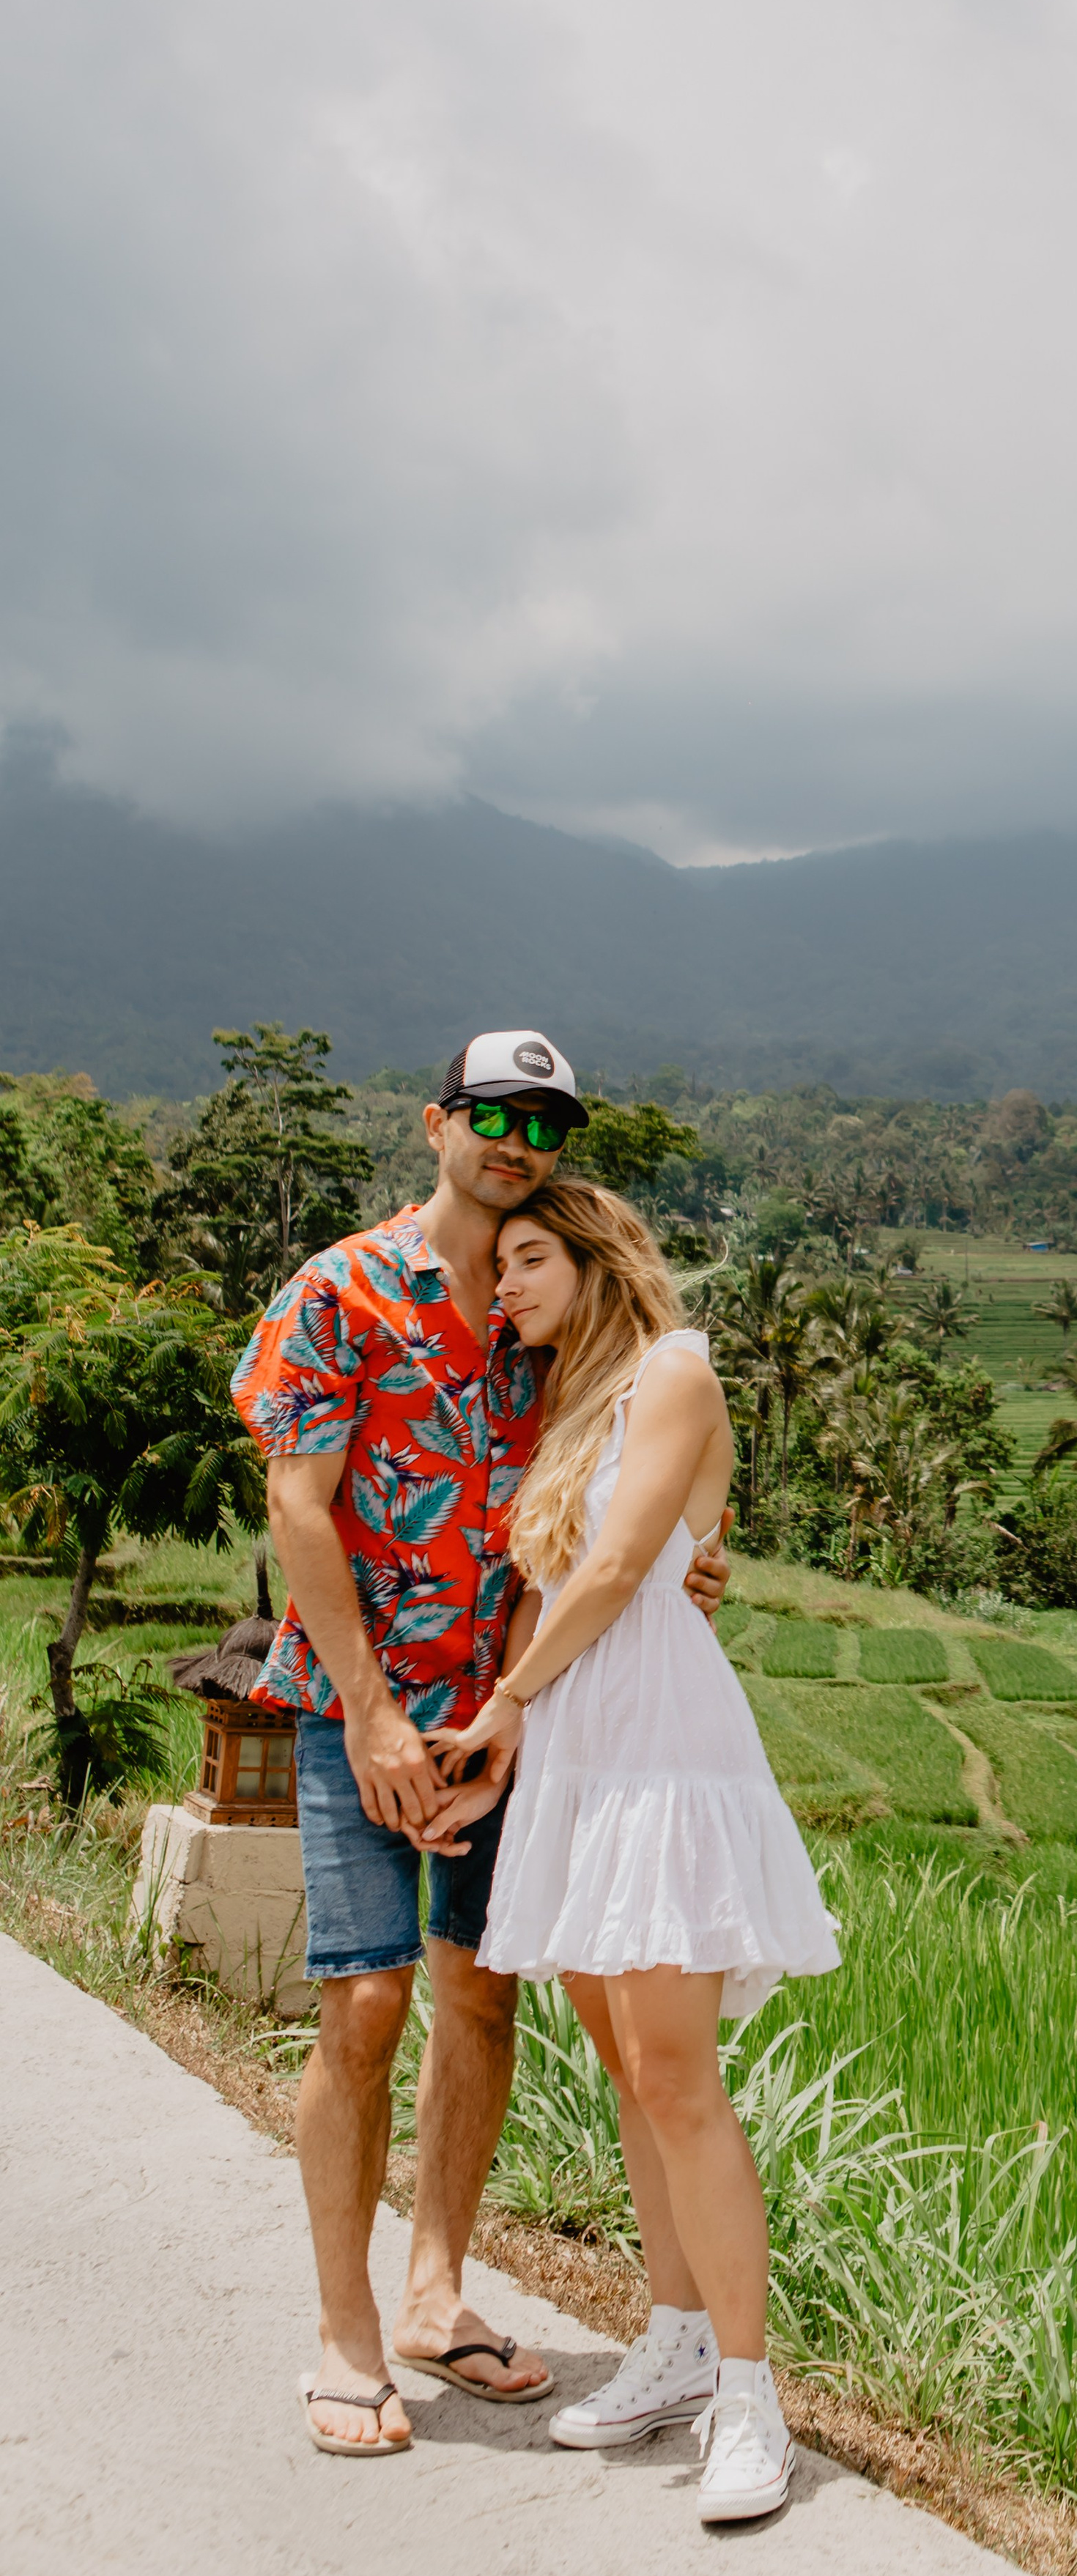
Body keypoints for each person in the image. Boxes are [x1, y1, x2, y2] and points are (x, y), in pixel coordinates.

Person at [231, 1032, 730, 2458]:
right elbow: (301, 1507)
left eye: (545, 1122)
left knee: (479, 1996)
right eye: (494, 1112)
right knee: (367, 2000)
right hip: (357, 1708)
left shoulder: (545, 1311)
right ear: (438, 1120)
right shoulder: (342, 1291)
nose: (516, 1139)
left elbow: (622, 1491)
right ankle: (344, 2334)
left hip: (512, 1716)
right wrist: (377, 1709)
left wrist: (685, 1564)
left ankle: (436, 2293)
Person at [427, 1178, 840, 2523]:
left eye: (532, 1259)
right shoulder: (565, 1405)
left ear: (598, 1258)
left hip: (658, 1750)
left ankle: (750, 2394)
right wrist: (511, 1746)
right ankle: (671, 2342)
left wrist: (504, 1706)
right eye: (502, 1268)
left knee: (675, 2070)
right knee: (624, 2057)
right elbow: (555, 1581)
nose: (512, 1288)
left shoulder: (673, 1369)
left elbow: (614, 1577)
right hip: (583, 1760)